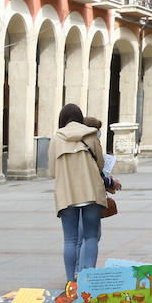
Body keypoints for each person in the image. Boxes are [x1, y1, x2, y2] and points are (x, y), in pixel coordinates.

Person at [48, 103, 108, 282]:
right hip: (91, 192)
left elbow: (52, 171)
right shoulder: (91, 135)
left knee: (70, 239)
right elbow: (100, 165)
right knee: (90, 236)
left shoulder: (56, 138)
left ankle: (70, 282)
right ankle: (88, 279)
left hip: (67, 194)